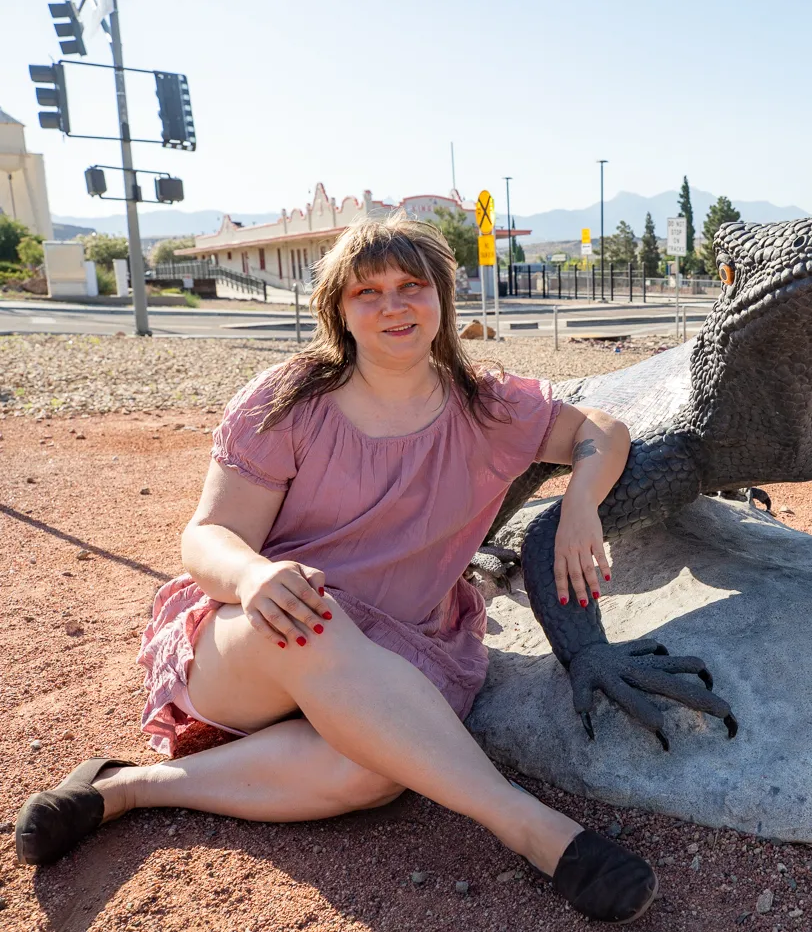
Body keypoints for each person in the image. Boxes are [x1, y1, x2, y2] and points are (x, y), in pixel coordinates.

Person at [14, 214, 656, 923]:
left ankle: (129, 788)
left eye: (412, 285)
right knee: (315, 616)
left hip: (395, 658)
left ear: (441, 297)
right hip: (256, 642)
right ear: (339, 310)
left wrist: (580, 505)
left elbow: (602, 430)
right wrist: (256, 577)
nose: (393, 305)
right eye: (367, 291)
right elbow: (210, 536)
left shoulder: (486, 405)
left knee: (373, 771)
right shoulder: (289, 400)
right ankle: (532, 827)